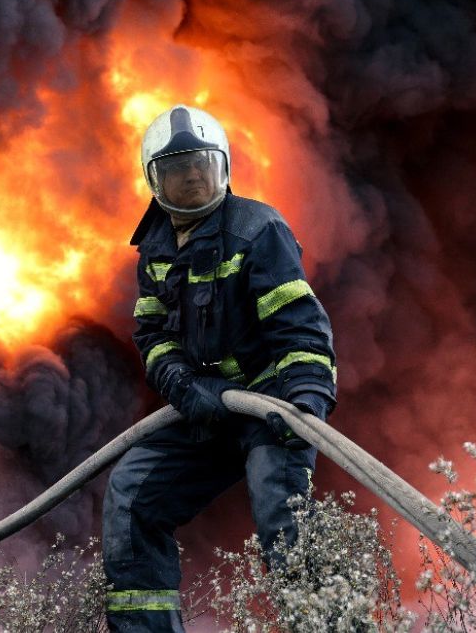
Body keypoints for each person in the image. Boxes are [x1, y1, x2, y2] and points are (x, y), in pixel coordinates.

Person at [102, 105, 339, 632]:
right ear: (154, 180)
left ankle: (325, 623)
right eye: (178, 169)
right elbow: (153, 337)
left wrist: (303, 407)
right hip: (207, 409)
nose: (192, 177)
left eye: (202, 166)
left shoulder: (258, 230)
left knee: (283, 514)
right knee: (132, 493)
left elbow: (302, 332)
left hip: (270, 403)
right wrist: (186, 388)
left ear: (224, 168)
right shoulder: (156, 251)